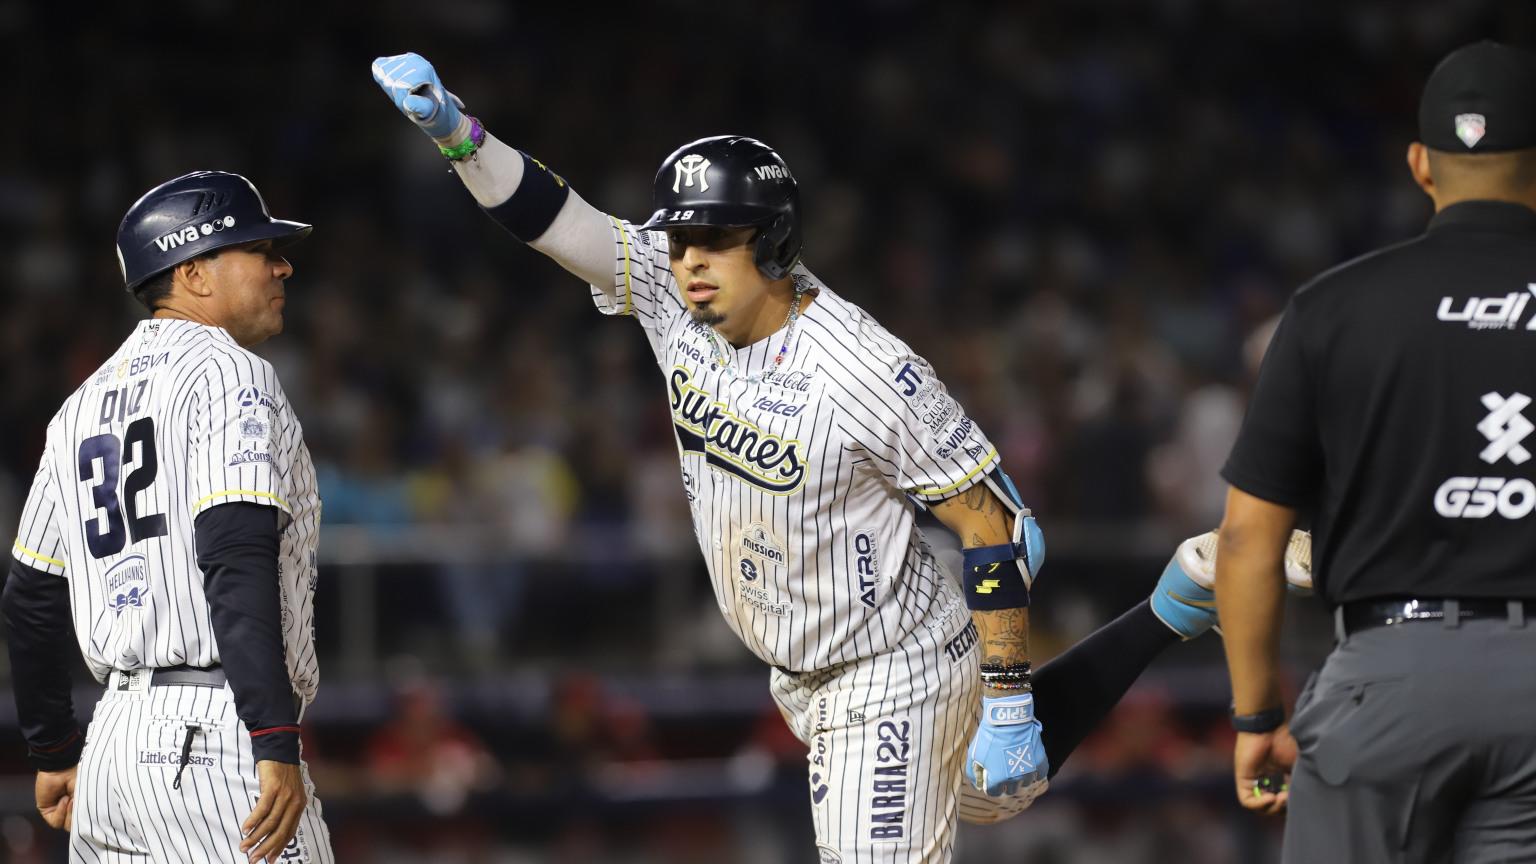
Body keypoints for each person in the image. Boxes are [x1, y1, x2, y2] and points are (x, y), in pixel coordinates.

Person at [371, 52, 1308, 859]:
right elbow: (557, 221)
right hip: (804, 666)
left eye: (715, 242)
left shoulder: (862, 367)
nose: (689, 258)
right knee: (993, 795)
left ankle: (1054, 675)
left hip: (885, 664)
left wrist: (1012, 697)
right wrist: (459, 134)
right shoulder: (672, 290)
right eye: (681, 238)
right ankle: (1179, 597)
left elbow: (987, 523)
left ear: (771, 242)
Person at [1216, 40, 1536, 862]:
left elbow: (1249, 538)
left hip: (1390, 678)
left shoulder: (1333, 308)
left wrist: (1257, 715)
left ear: (1421, 164)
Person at [3, 171, 335, 863]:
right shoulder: (230, 372)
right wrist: (272, 736)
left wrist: (55, 749)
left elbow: (31, 596)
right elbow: (233, 554)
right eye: (259, 249)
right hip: (216, 735)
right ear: (194, 273)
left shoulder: (79, 407)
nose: (283, 265)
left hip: (111, 750)